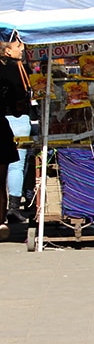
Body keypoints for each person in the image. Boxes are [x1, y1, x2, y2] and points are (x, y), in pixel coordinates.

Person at [0, 30, 30, 240]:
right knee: (4, 178)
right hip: (3, 127)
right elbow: (18, 107)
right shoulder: (12, 71)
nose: (22, 49)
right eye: (18, 46)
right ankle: (4, 218)